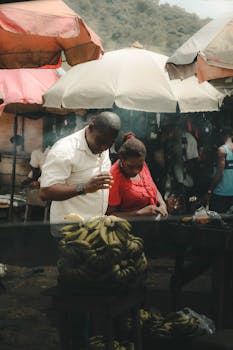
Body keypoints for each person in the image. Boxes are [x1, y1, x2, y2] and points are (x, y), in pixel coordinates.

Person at [40, 111, 121, 225]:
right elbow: (45, 192)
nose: (103, 147)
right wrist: (84, 188)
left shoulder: (103, 146)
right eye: (100, 142)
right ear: (91, 127)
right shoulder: (64, 150)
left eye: (109, 144)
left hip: (96, 227)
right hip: (69, 229)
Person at [107, 132, 168, 218]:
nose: (136, 171)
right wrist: (140, 213)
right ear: (122, 160)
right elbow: (109, 215)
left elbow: (151, 186)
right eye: (131, 167)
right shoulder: (113, 178)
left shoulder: (140, 163)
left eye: (139, 166)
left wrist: (162, 204)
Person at [208, 126, 233, 213]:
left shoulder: (222, 150)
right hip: (231, 193)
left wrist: (209, 190)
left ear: (223, 135)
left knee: (216, 222)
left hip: (221, 193)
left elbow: (219, 174)